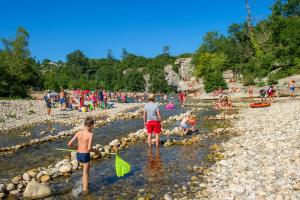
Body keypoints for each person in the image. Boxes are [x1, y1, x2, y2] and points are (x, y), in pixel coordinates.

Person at [68, 117, 94, 193]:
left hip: (78, 155)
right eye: (93, 126)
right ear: (91, 125)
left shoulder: (78, 132)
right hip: (85, 155)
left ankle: (86, 183)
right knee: (85, 173)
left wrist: (77, 147)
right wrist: (96, 151)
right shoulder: (90, 134)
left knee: (85, 172)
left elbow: (69, 144)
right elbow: (89, 148)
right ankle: (85, 191)